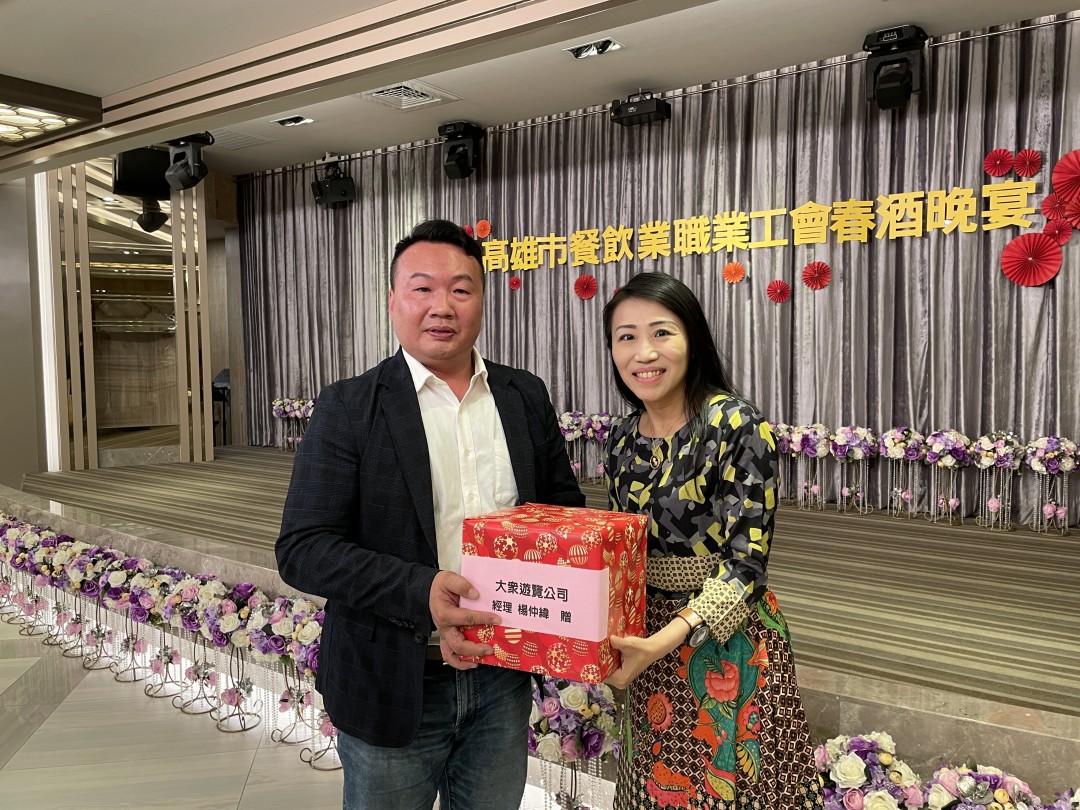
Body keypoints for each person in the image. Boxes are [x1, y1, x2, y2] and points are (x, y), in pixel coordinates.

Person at [276, 219, 584, 810]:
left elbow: (562, 515)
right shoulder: (349, 406)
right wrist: (422, 591)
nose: (442, 306)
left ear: (482, 301)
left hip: (502, 678)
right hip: (392, 680)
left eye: (461, 289)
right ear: (393, 300)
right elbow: (303, 548)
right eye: (423, 288)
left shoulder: (523, 396)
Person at [602, 272, 823, 810]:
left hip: (724, 642)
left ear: (692, 338)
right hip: (645, 641)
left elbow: (748, 566)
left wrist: (665, 639)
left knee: (733, 787)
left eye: (661, 332)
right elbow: (620, 551)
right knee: (655, 786)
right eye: (626, 337)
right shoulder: (621, 439)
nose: (643, 353)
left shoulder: (735, 425)